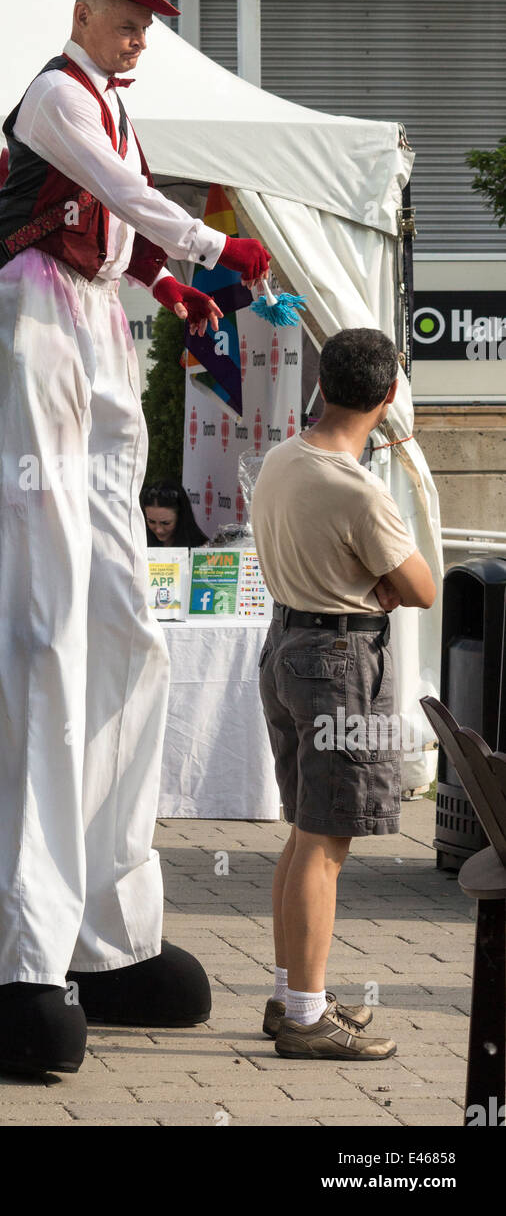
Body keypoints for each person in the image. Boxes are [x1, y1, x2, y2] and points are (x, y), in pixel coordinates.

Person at [0, 0, 271, 1076]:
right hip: (37, 313)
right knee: (42, 624)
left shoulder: (108, 102)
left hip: (92, 316)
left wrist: (173, 280)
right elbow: (113, 192)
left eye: (146, 16)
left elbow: (118, 227)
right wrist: (210, 243)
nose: (138, 30)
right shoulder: (55, 95)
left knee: (122, 627)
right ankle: (15, 958)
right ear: (82, 8)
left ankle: (105, 933)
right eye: (123, 11)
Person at [251, 328, 436, 1061]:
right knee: (327, 842)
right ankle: (303, 1013)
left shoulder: (282, 458)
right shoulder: (357, 489)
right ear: (389, 398)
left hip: (288, 644)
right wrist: (380, 585)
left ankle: (292, 992)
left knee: (304, 830)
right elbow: (421, 587)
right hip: (339, 660)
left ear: (322, 385)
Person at [141, 480, 209, 547]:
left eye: (166, 523)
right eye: (151, 522)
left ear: (180, 517)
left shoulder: (202, 550)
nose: (159, 530)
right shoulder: (138, 543)